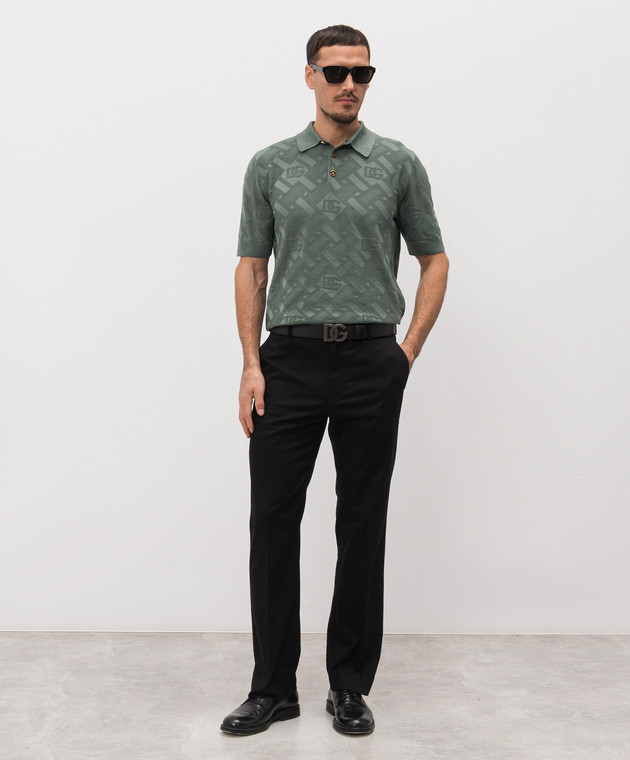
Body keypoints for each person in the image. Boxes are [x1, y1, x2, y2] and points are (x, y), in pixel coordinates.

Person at [220, 24, 449, 737]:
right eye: (337, 72)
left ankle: (349, 685)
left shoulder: (398, 163)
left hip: (372, 360)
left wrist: (405, 353)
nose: (350, 84)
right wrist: (251, 363)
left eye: (362, 72)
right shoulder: (270, 165)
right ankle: (272, 688)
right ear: (310, 76)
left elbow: (434, 258)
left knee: (362, 521)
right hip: (287, 361)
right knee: (271, 521)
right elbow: (251, 265)